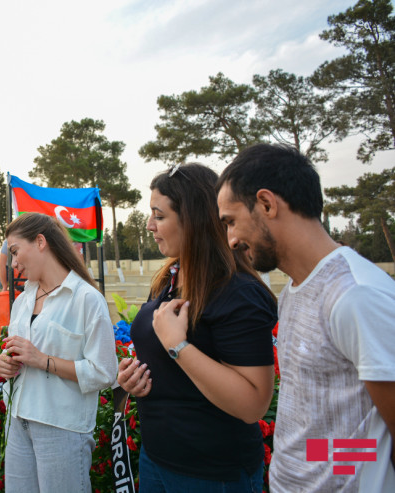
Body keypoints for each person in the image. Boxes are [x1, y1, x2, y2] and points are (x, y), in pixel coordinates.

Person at [216, 143, 395, 492]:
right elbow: (319, 427)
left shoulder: (355, 295)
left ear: (267, 204)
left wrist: (344, 473)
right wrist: (310, 464)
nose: (231, 239)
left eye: (231, 221)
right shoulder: (294, 293)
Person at [118, 163, 277, 492]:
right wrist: (132, 378)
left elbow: (253, 403)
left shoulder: (238, 291)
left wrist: (179, 347)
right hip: (157, 458)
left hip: (211, 473)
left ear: (193, 219)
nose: (149, 225)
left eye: (159, 215)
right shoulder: (169, 279)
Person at [0, 212, 117, 493]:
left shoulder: (86, 299)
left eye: (15, 252)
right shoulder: (23, 301)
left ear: (40, 242)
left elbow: (104, 372)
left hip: (62, 428)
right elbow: (19, 355)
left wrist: (42, 360)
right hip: (18, 422)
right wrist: (6, 363)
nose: (13, 264)